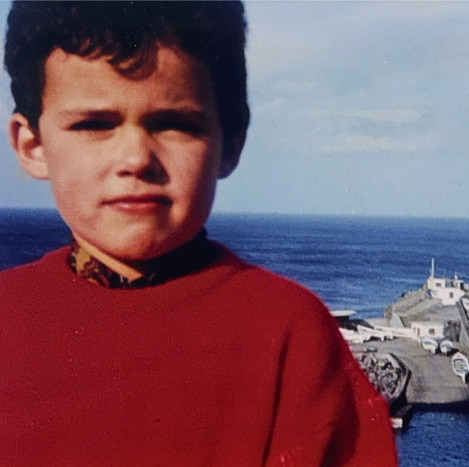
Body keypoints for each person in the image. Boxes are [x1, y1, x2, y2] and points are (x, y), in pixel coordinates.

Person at [0, 2, 397, 465]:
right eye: (95, 125)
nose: (136, 159)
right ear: (33, 146)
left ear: (230, 141)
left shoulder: (291, 332)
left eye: (175, 124)